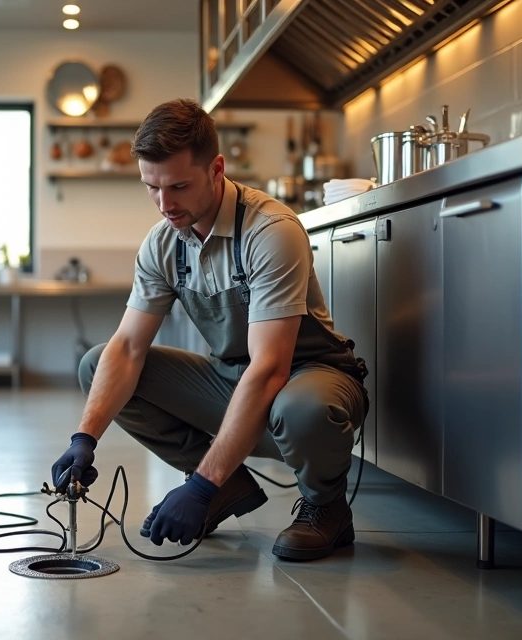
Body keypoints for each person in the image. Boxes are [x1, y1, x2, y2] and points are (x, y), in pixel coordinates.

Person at [50, 99, 369, 561]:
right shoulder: (163, 244)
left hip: (309, 381)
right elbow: (127, 348)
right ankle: (229, 488)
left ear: (216, 168)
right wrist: (84, 438)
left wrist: (200, 485)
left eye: (179, 186)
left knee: (303, 408)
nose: (165, 204)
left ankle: (326, 509)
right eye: (151, 188)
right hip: (233, 380)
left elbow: (271, 367)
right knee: (98, 363)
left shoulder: (270, 230)